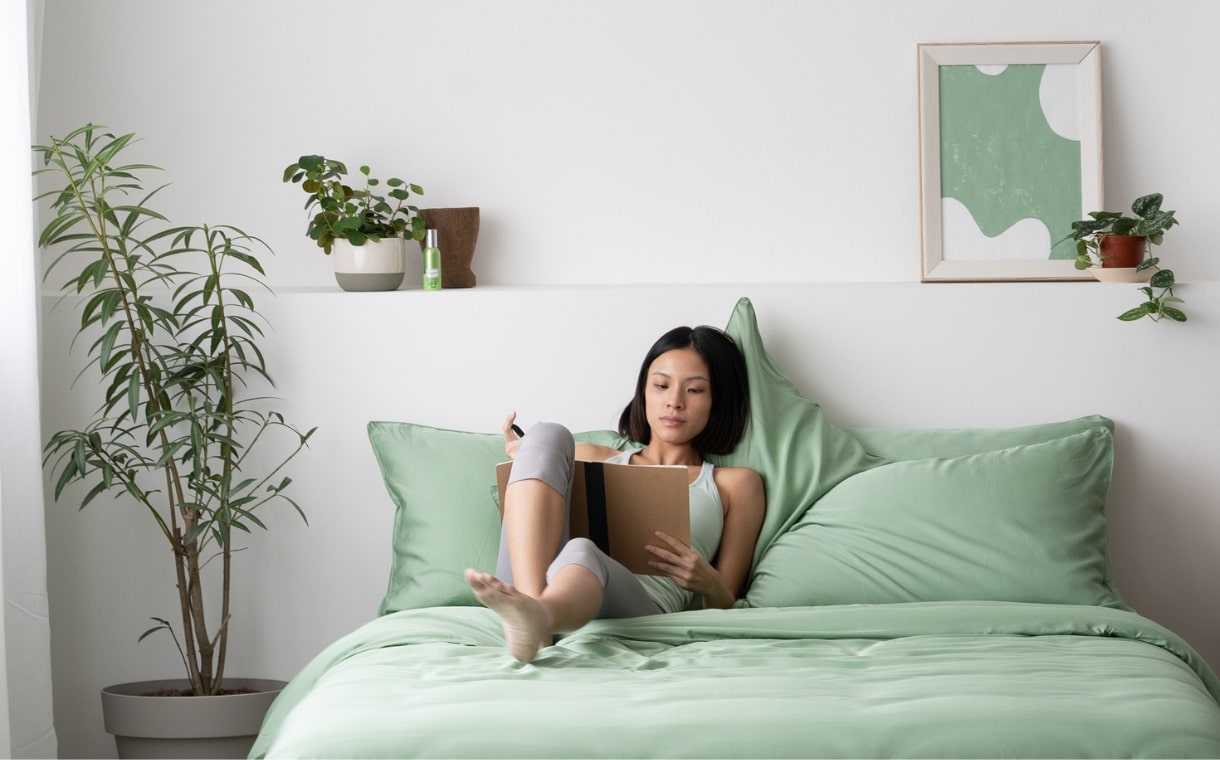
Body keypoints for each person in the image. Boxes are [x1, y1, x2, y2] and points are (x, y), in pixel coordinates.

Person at [464, 325, 765, 662]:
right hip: (530, 580)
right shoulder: (592, 455)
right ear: (644, 392)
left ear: (717, 400)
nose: (674, 402)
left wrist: (709, 583)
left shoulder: (736, 484)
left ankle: (537, 618)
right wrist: (529, 453)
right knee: (547, 433)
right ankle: (534, 618)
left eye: (694, 390)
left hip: (637, 610)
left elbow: (727, 603)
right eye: (661, 386)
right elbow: (537, 481)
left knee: (582, 551)